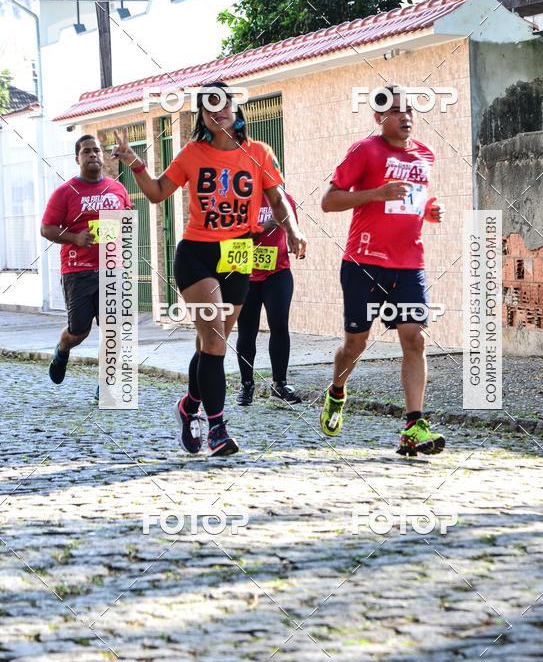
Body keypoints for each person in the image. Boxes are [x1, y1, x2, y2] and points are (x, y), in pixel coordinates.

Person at [110, 82, 306, 457]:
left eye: (222, 103)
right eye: (208, 106)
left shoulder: (259, 153)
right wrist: (134, 162)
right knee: (215, 341)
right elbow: (156, 193)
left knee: (208, 346)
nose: (217, 112)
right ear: (201, 115)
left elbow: (278, 199)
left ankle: (189, 406)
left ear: (235, 108)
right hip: (197, 254)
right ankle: (217, 429)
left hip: (238, 254)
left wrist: (294, 232)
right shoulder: (192, 153)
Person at [319, 86, 445, 456]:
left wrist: (428, 211)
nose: (405, 116)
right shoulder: (365, 151)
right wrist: (376, 193)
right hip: (364, 263)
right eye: (395, 111)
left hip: (409, 264)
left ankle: (413, 426)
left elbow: (412, 201)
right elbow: (329, 201)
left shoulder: (425, 154)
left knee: (415, 339)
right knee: (355, 344)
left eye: (409, 110)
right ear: (378, 117)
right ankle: (337, 392)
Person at [41, 135, 132, 397]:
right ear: (77, 158)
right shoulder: (65, 192)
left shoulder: (117, 188)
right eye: (86, 151)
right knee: (79, 332)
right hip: (77, 271)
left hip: (112, 269)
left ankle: (106, 384)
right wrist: (75, 238)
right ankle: (62, 349)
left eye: (96, 150)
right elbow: (46, 228)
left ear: (102, 156)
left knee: (113, 329)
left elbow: (126, 216)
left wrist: (127, 217)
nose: (93, 154)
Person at [236, 189, 302, 406]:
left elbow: (292, 231)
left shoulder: (285, 199)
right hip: (245, 273)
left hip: (278, 271)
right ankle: (246, 384)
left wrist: (295, 240)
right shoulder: (240, 199)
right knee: (247, 330)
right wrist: (263, 227)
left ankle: (280, 384)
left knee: (280, 323)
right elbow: (232, 238)